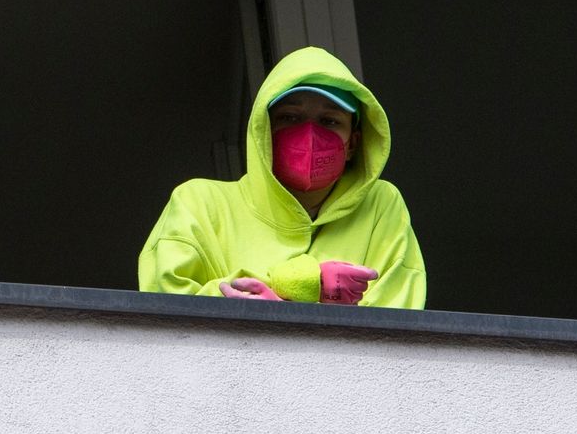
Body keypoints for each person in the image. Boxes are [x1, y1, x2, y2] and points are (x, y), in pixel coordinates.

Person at [138, 46, 425, 308]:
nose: (310, 134)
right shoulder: (199, 203)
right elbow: (165, 307)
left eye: (330, 121)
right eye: (290, 117)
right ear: (264, 133)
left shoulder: (380, 206)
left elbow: (397, 325)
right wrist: (298, 288)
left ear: (352, 143)